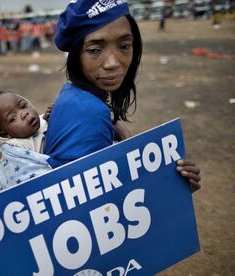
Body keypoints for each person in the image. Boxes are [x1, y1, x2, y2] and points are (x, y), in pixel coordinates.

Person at [45, 0, 201, 192]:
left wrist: (172, 184)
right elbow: (88, 210)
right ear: (76, 55)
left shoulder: (74, 94)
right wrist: (168, 192)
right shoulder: (90, 111)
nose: (112, 63)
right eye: (94, 50)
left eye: (125, 46)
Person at [0, 91, 52, 194]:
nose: (24, 113)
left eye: (23, 106)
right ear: (4, 134)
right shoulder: (17, 149)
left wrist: (47, 119)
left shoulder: (41, 121)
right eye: (13, 118)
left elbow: (41, 130)